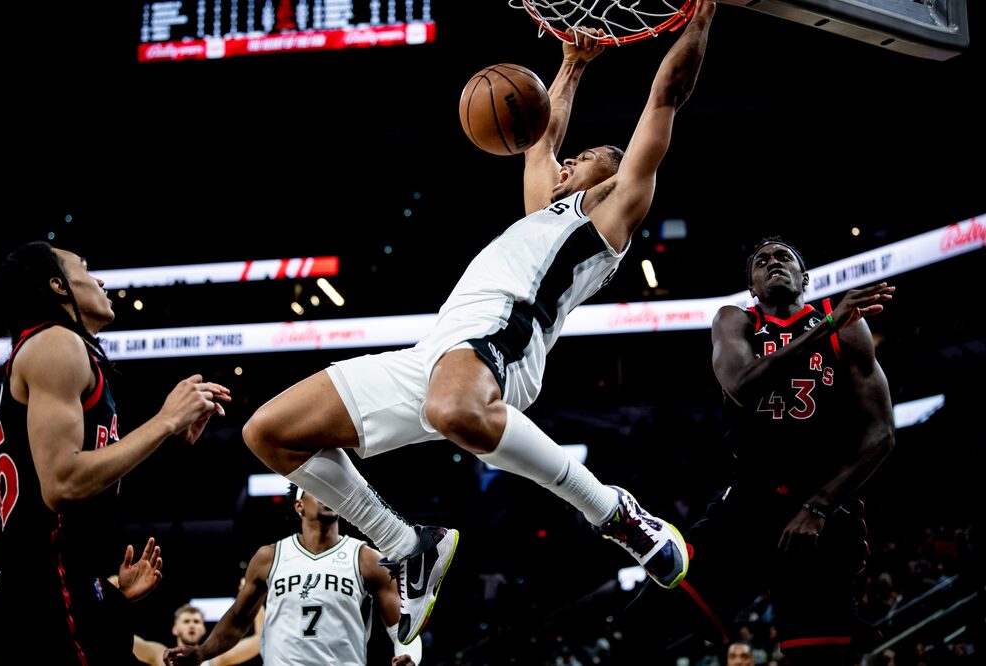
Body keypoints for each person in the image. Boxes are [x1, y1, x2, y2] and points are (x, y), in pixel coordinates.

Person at [241, 0, 716, 646]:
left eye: (587, 160)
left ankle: (614, 511)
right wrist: (571, 64)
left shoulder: (609, 217)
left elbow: (667, 96)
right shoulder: (541, 211)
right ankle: (407, 545)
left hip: (502, 345)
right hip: (434, 353)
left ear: (614, 173)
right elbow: (541, 140)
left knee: (452, 409)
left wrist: (703, 15)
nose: (569, 162)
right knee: (269, 433)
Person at [618, 238, 897, 665]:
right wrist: (823, 329)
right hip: (747, 506)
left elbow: (882, 434)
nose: (772, 263)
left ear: (804, 279)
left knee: (820, 656)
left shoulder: (847, 326)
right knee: (643, 621)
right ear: (752, 287)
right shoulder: (735, 320)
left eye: (784, 257)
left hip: (819, 509)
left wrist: (819, 507)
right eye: (761, 261)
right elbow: (742, 387)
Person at [0, 240, 231, 666]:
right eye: (84, 268)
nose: (99, 279)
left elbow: (77, 480)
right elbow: (63, 484)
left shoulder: (57, 351)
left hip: (68, 587)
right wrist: (165, 420)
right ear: (58, 286)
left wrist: (106, 593)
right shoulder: (55, 344)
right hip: (49, 593)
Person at [163, 485, 421, 666]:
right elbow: (238, 620)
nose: (327, 495)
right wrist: (201, 652)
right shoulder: (269, 557)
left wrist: (410, 657)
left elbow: (403, 625)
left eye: (332, 489)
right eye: (317, 489)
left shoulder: (367, 558)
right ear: (299, 505)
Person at [132, 602, 263, 666]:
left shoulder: (215, 660)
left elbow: (259, 641)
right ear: (175, 629)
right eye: (186, 621)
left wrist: (256, 599)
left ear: (203, 629)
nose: (191, 625)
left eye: (196, 621)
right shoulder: (159, 655)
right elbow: (123, 639)